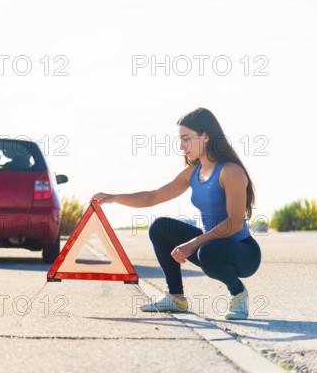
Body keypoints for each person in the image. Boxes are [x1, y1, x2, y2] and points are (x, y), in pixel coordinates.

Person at [91, 107, 261, 320]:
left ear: (206, 137)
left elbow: (234, 224)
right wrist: (114, 197)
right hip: (209, 246)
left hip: (243, 253)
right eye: (180, 139)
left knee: (207, 251)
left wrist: (192, 244)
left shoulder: (230, 172)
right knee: (160, 227)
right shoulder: (192, 173)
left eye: (187, 139)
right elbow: (152, 197)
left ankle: (238, 294)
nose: (181, 146)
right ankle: (176, 297)